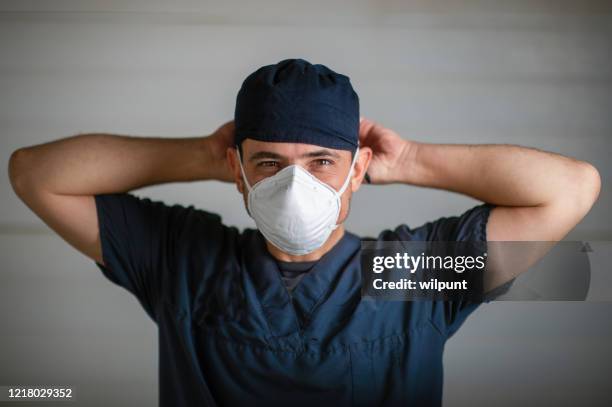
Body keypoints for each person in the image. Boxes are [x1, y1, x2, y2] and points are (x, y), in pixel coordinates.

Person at [8, 58, 601, 407]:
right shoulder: (181, 262)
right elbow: (35, 174)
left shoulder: (411, 274)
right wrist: (197, 155)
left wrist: (413, 159)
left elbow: (573, 188)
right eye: (268, 163)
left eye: (322, 162)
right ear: (238, 174)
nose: (296, 187)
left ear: (356, 171)